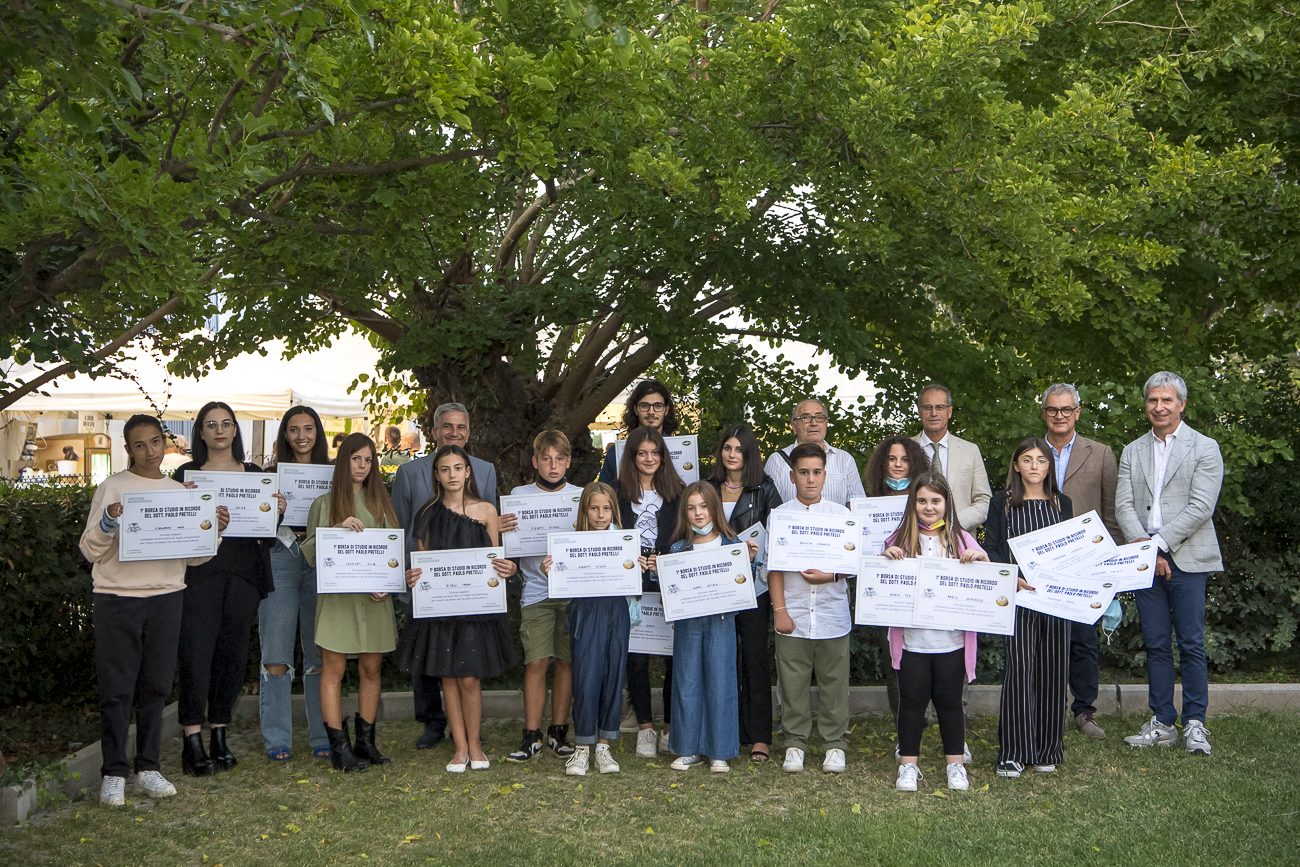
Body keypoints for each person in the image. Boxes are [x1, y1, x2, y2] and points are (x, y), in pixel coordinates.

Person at [79, 414, 230, 806]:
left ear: (165, 444)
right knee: (117, 690)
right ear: (127, 449)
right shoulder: (112, 488)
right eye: (140, 445)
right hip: (117, 598)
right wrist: (110, 521)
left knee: (157, 686)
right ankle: (113, 772)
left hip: (166, 597)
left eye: (155, 442)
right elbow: (89, 549)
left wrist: (214, 529)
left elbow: (194, 559)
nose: (150, 451)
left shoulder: (181, 491)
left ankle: (148, 767)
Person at [1116, 372, 1224, 756]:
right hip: (1145, 560)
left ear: (1181, 404)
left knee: (1191, 643)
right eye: (1152, 400)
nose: (1158, 407)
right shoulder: (1132, 450)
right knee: (1157, 643)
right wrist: (1148, 552)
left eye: (1167, 400)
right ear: (1146, 405)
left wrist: (1159, 547)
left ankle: (1196, 723)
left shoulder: (1205, 447)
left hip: (1189, 558)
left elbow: (1200, 507)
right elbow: (1124, 506)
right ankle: (1162, 721)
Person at [172, 402, 282, 776]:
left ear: (236, 431)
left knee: (232, 658)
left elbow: (264, 534)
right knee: (195, 656)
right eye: (210, 424)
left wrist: (275, 512)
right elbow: (174, 532)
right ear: (200, 434)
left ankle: (219, 733)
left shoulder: (254, 474)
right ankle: (192, 739)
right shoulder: (185, 474)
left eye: (226, 424)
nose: (219, 430)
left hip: (244, 577)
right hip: (199, 577)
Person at [397, 445, 518, 772]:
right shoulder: (426, 514)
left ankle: (476, 745)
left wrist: (509, 569)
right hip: (441, 609)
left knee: (469, 679)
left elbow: (495, 559)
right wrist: (413, 576)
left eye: (458, 468)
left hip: (476, 608)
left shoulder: (487, 512)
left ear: (468, 472)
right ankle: (460, 748)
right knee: (448, 677)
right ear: (436, 475)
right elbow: (424, 564)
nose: (452, 475)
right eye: (444, 469)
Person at [391, 402, 499, 750]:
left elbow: (489, 538)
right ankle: (432, 723)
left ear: (468, 432)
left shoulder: (485, 470)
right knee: (429, 658)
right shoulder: (410, 473)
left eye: (461, 426)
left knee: (465, 667)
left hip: (471, 591)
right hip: (428, 583)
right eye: (447, 426)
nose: (454, 432)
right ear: (434, 431)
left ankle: (467, 736)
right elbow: (401, 527)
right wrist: (406, 577)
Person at [301, 433, 401, 773]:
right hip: (338, 601)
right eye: (356, 459)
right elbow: (311, 554)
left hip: (373, 600)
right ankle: (339, 749)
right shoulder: (324, 505)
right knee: (334, 670)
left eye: (368, 460)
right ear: (343, 462)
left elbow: (392, 553)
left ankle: (365, 742)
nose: (362, 466)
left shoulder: (381, 504)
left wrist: (388, 585)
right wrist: (337, 530)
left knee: (371, 669)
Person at [883, 471, 986, 792]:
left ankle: (955, 766)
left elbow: (987, 578)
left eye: (936, 501)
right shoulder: (898, 539)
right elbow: (879, 582)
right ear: (913, 503)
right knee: (911, 702)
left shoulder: (961, 539)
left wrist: (980, 559)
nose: (929, 507)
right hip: (913, 642)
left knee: (950, 703)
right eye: (922, 500)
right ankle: (908, 768)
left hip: (951, 642)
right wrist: (886, 558)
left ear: (947, 504)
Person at [984, 438, 1074, 778]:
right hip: (1018, 596)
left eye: (1041, 460)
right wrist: (1012, 576)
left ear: (1049, 467)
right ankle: (1014, 752)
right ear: (1017, 465)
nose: (1034, 465)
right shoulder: (1002, 503)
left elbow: (1071, 550)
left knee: (1053, 670)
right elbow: (990, 548)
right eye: (1027, 459)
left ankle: (1047, 749)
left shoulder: (1062, 503)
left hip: (1055, 599)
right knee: (1020, 670)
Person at [1040, 383, 1121, 740]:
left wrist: (1112, 570)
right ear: (1044, 412)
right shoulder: (1030, 451)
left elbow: (1112, 514)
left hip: (1087, 561)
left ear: (1078, 411)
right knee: (1043, 639)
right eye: (1053, 410)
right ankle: (1046, 708)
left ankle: (1084, 711)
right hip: (1040, 560)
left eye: (1066, 409)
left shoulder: (1101, 454)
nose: (1060, 416)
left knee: (1083, 640)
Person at [498, 431, 582, 763]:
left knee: (566, 662)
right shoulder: (519, 497)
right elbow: (508, 550)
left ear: (568, 462)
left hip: (572, 592)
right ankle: (531, 735)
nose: (553, 465)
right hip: (535, 591)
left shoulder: (581, 497)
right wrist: (500, 528)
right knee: (536, 661)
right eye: (546, 458)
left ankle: (558, 732)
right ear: (535, 462)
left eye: (560, 459)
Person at [770, 443, 852, 775]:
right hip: (794, 613)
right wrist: (780, 611)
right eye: (803, 472)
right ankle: (795, 743)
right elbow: (773, 568)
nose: (810, 479)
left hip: (832, 612)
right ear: (792, 476)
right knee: (792, 681)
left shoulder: (841, 517)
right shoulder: (780, 515)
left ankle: (834, 745)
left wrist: (830, 575)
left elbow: (853, 564)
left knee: (835, 682)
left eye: (816, 472)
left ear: (825, 475)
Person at [540, 482, 632, 776]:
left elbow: (634, 580)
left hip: (616, 611)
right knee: (585, 678)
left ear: (613, 511)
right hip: (586, 612)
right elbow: (562, 580)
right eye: (594, 508)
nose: (601, 514)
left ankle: (603, 746)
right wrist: (551, 570)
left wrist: (641, 566)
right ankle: (582, 748)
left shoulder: (624, 541)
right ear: (585, 511)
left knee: (612, 676)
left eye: (606, 508)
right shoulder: (571, 542)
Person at [665, 482, 756, 773]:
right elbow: (672, 589)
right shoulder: (678, 549)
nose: (698, 513)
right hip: (688, 624)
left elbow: (745, 588)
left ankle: (719, 751)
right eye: (691, 508)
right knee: (687, 683)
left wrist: (749, 562)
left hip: (721, 623)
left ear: (714, 508)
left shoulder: (733, 546)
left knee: (721, 682)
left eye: (703, 506)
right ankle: (688, 748)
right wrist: (659, 572)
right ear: (685, 513)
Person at [259, 405, 332, 763]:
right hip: (281, 555)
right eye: (293, 430)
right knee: (275, 652)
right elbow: (254, 525)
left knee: (320, 655)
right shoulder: (269, 477)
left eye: (308, 429)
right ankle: (277, 740)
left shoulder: (335, 475)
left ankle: (323, 733)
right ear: (284, 435)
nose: (301, 436)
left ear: (318, 433)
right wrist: (276, 511)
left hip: (322, 560)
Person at [707, 424, 782, 763]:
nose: (731, 454)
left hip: (755, 586)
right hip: (714, 587)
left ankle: (760, 737)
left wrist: (758, 552)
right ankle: (728, 730)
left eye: (738, 449)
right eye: (727, 448)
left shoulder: (764, 489)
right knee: (722, 659)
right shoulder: (707, 487)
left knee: (754, 659)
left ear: (749, 453)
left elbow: (780, 537)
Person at [618, 426, 685, 757]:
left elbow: (689, 538)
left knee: (674, 654)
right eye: (642, 453)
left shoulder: (678, 492)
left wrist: (666, 560)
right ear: (632, 457)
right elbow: (606, 538)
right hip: (633, 585)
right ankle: (645, 726)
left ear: (663, 456)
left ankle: (671, 726)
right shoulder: (616, 492)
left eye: (655, 453)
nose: (649, 459)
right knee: (637, 656)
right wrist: (632, 562)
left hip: (671, 583)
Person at [861, 435, 932, 729]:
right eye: (892, 459)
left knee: (925, 653)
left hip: (920, 585)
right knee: (894, 658)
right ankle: (903, 720)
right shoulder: (869, 504)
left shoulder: (925, 500)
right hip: (883, 588)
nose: (898, 465)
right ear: (883, 464)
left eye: (904, 459)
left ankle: (925, 714)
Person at [911, 383, 992, 530]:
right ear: (919, 412)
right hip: (914, 539)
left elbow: (984, 500)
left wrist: (952, 525)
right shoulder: (905, 450)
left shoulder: (970, 451)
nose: (934, 413)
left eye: (940, 407)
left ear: (949, 412)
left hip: (961, 540)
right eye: (927, 407)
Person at [764, 399, 866, 506]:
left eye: (819, 417)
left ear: (826, 424)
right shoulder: (777, 461)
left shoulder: (845, 460)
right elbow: (768, 507)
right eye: (805, 418)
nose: (813, 423)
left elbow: (857, 505)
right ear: (794, 427)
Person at [598, 378, 679, 486]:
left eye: (658, 406)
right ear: (635, 409)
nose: (651, 412)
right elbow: (603, 493)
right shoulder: (616, 454)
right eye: (645, 406)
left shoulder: (681, 450)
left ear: (666, 409)